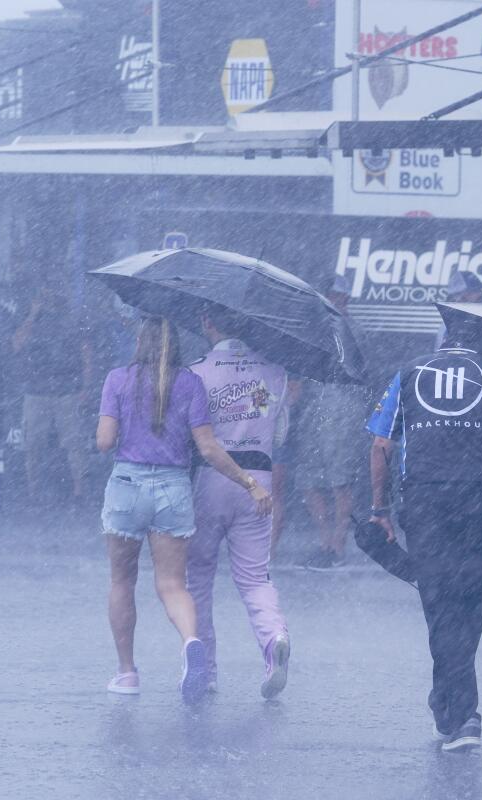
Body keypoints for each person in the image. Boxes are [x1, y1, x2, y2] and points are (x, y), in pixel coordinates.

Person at [96, 316, 271, 704]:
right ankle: (193, 645)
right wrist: (249, 482)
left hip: (127, 485)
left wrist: (125, 424)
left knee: (122, 582)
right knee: (173, 585)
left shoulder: (117, 379)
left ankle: (127, 673)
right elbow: (208, 448)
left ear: (139, 342)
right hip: (173, 488)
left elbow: (105, 442)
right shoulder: (189, 382)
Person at [365, 320, 482, 752]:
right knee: (468, 608)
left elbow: (380, 445)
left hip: (426, 503)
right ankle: (448, 704)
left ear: (444, 341)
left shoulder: (409, 371)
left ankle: (462, 715)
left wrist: (379, 509)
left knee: (440, 605)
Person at [187, 307, 292, 699]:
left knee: (197, 577)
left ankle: (206, 670)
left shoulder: (196, 371)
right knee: (254, 577)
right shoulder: (274, 371)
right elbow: (280, 433)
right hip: (259, 481)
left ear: (207, 322)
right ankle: (274, 637)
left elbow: (190, 434)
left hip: (210, 479)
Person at [293, 275, 370, 570]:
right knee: (308, 477)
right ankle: (324, 542)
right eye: (332, 295)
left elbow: (355, 367)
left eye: (341, 296)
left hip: (343, 402)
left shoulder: (352, 329)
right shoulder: (311, 326)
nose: (338, 300)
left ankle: (338, 545)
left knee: (340, 477)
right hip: (315, 402)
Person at [12, 287, 93, 501]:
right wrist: (32, 314)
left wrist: (85, 386)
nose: (48, 302)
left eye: (50, 297)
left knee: (74, 443)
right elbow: (17, 344)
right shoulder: (31, 320)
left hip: (67, 391)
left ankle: (79, 490)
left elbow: (85, 352)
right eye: (43, 297)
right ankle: (34, 491)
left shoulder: (72, 320)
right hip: (37, 391)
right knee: (33, 444)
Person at [434, 271, 482, 350]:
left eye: (479, 290)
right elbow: (441, 354)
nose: (480, 293)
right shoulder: (449, 323)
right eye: (475, 291)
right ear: (461, 296)